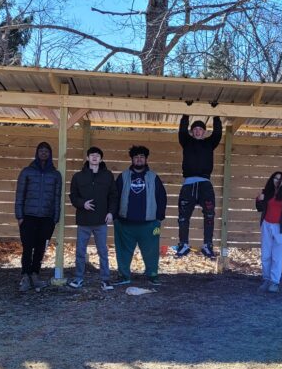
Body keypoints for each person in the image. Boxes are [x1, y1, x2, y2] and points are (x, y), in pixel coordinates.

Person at [113, 145, 167, 286]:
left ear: (146, 159)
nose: (139, 159)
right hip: (125, 223)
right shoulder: (123, 176)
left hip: (148, 223)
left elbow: (161, 197)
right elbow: (114, 196)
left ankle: (152, 275)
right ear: (132, 159)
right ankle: (123, 276)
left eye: (141, 157)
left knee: (151, 252)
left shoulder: (153, 177)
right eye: (136, 157)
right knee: (123, 252)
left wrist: (159, 217)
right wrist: (115, 216)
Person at [68, 146, 118, 291]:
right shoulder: (78, 176)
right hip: (84, 220)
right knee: (80, 251)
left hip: (101, 221)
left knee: (103, 251)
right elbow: (73, 196)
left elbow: (113, 196)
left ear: (101, 159)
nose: (95, 157)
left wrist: (111, 213)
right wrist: (82, 203)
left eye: (97, 155)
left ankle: (105, 280)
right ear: (87, 158)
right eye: (92, 155)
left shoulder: (108, 175)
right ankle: (78, 279)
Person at [15, 141, 63, 292]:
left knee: (41, 248)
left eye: (46, 151)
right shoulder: (27, 172)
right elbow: (20, 194)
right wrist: (19, 216)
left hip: (47, 218)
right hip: (28, 216)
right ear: (37, 153)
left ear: (50, 154)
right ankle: (25, 276)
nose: (43, 153)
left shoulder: (55, 175)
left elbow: (57, 197)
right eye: (41, 150)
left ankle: (35, 275)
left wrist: (55, 218)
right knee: (27, 247)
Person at [175, 113, 222, 258]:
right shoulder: (186, 141)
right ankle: (183, 245)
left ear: (204, 132)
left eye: (200, 129)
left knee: (209, 214)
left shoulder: (210, 143)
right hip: (188, 184)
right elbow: (182, 131)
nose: (197, 131)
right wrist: (185, 116)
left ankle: (207, 245)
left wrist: (216, 117)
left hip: (205, 184)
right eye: (195, 129)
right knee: (183, 216)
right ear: (192, 131)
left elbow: (218, 133)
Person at [255, 171, 282, 293]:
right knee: (266, 254)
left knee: (277, 256)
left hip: (280, 227)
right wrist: (259, 200)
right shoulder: (266, 192)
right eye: (275, 178)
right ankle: (266, 279)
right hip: (267, 225)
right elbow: (259, 208)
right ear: (272, 179)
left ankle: (274, 282)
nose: (277, 181)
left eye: (280, 179)